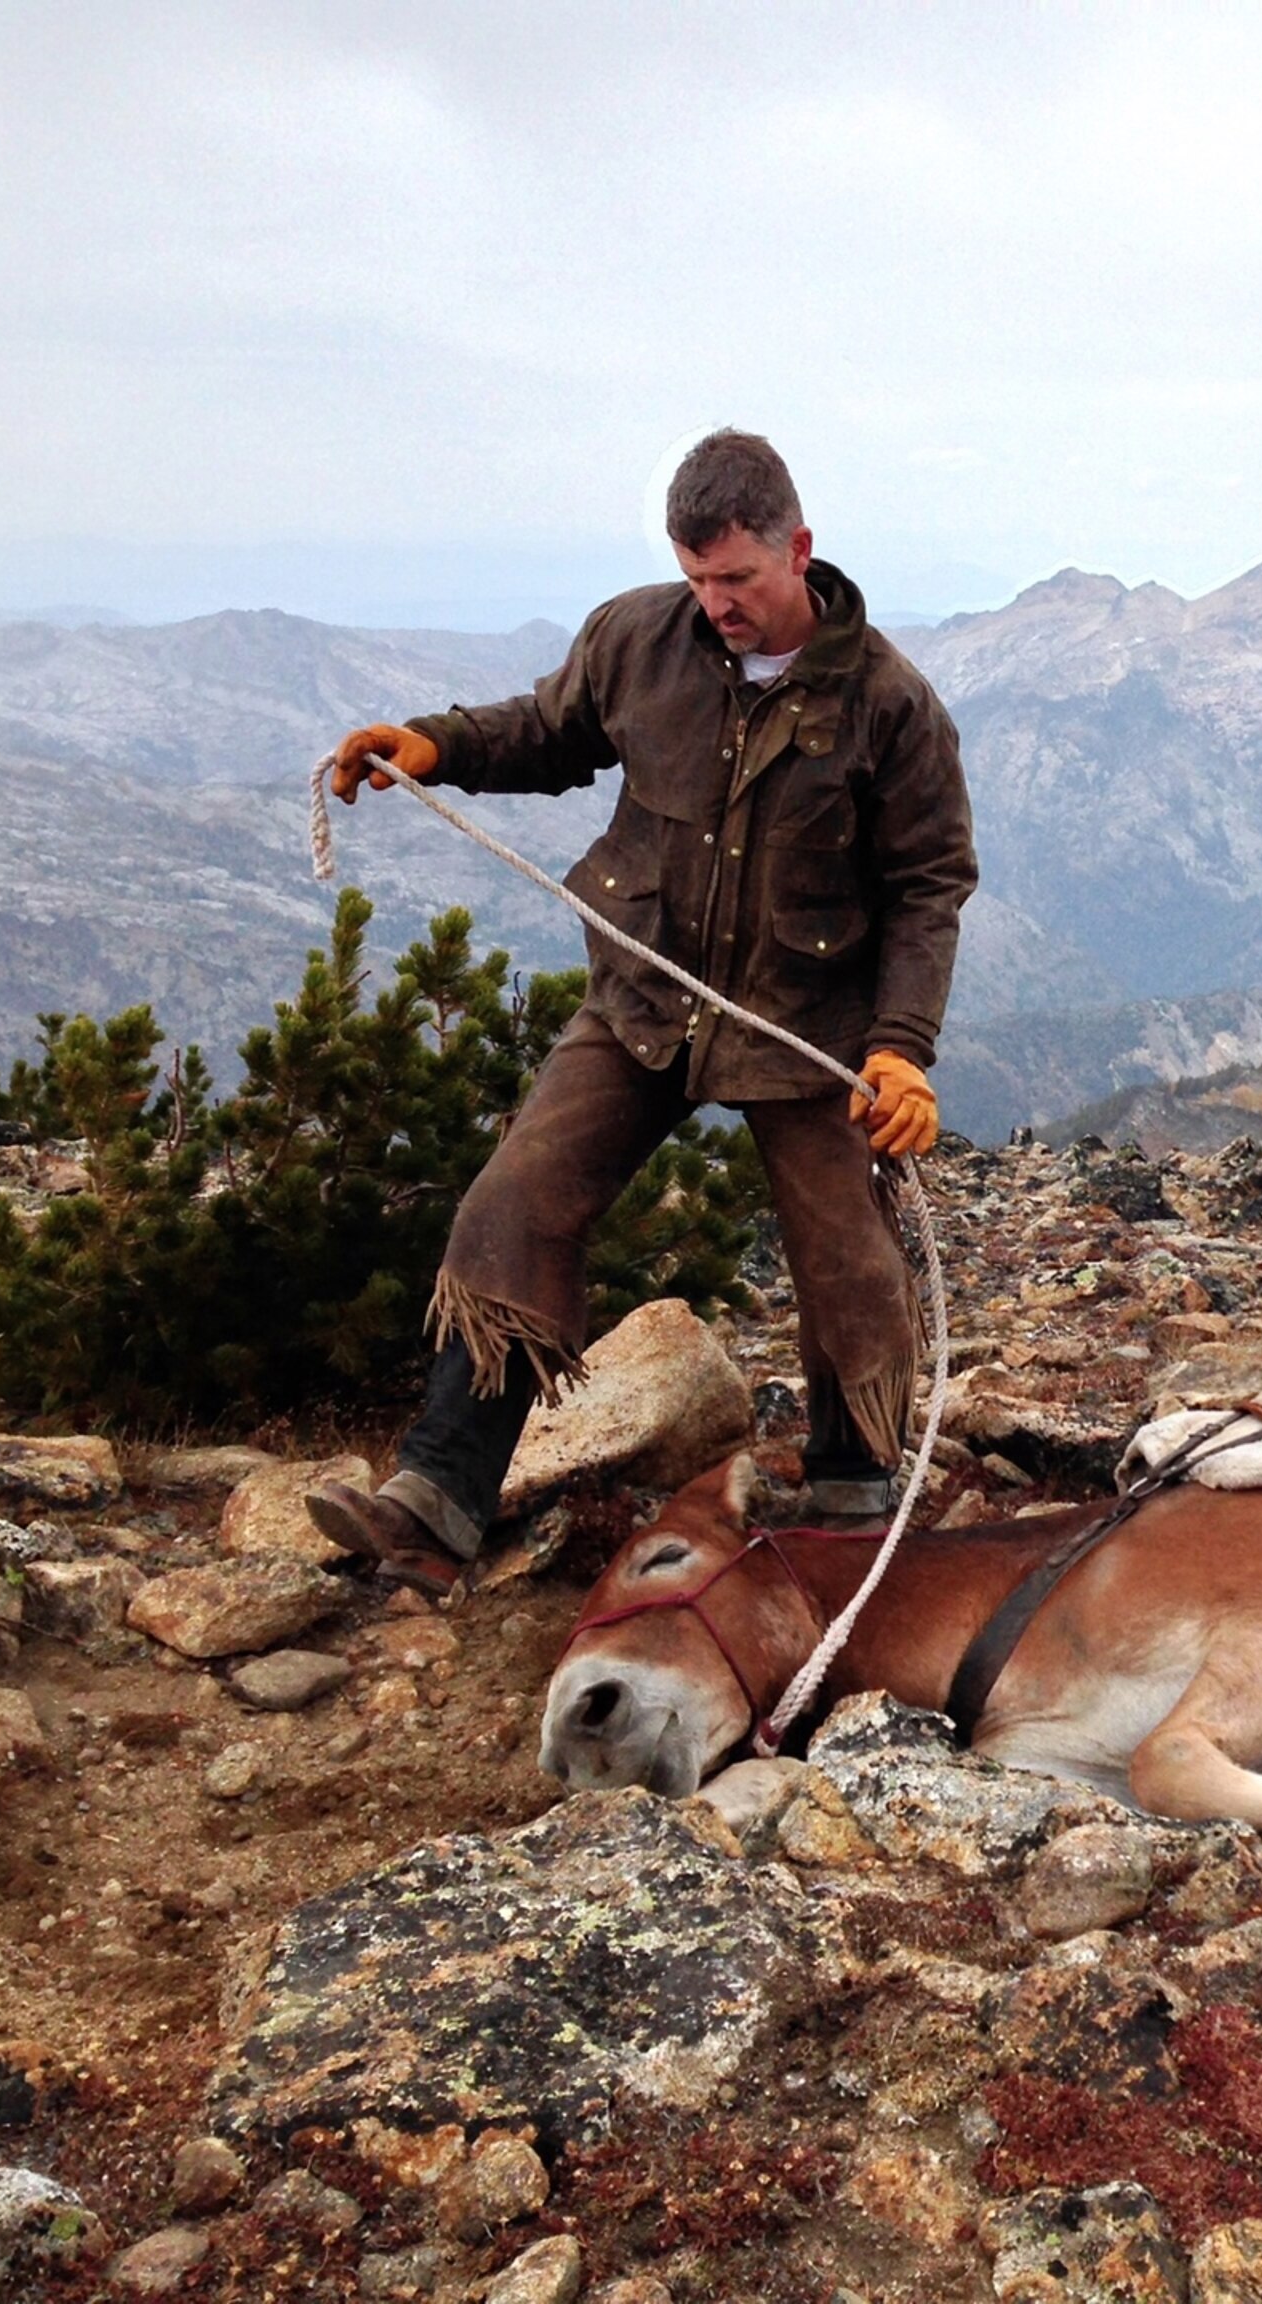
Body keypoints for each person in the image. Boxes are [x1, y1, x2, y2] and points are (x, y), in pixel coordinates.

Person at [306, 429, 975, 1594]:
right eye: (697, 577)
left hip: (802, 1024)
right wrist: (438, 744)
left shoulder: (890, 707)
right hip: (645, 997)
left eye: (739, 580)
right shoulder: (636, 636)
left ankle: (855, 1503)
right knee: (514, 1202)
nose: (715, 603)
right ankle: (437, 1503)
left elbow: (928, 887)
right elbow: (550, 730)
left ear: (799, 551)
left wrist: (900, 1052)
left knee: (847, 1264)